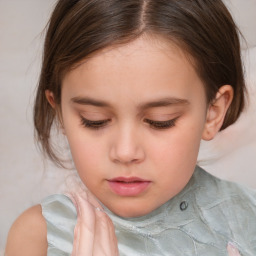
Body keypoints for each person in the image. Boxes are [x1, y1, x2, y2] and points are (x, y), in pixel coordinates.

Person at [5, 0, 256, 255]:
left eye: (161, 121)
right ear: (59, 112)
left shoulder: (249, 220)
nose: (125, 152)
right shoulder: (38, 237)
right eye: (94, 120)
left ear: (212, 113)